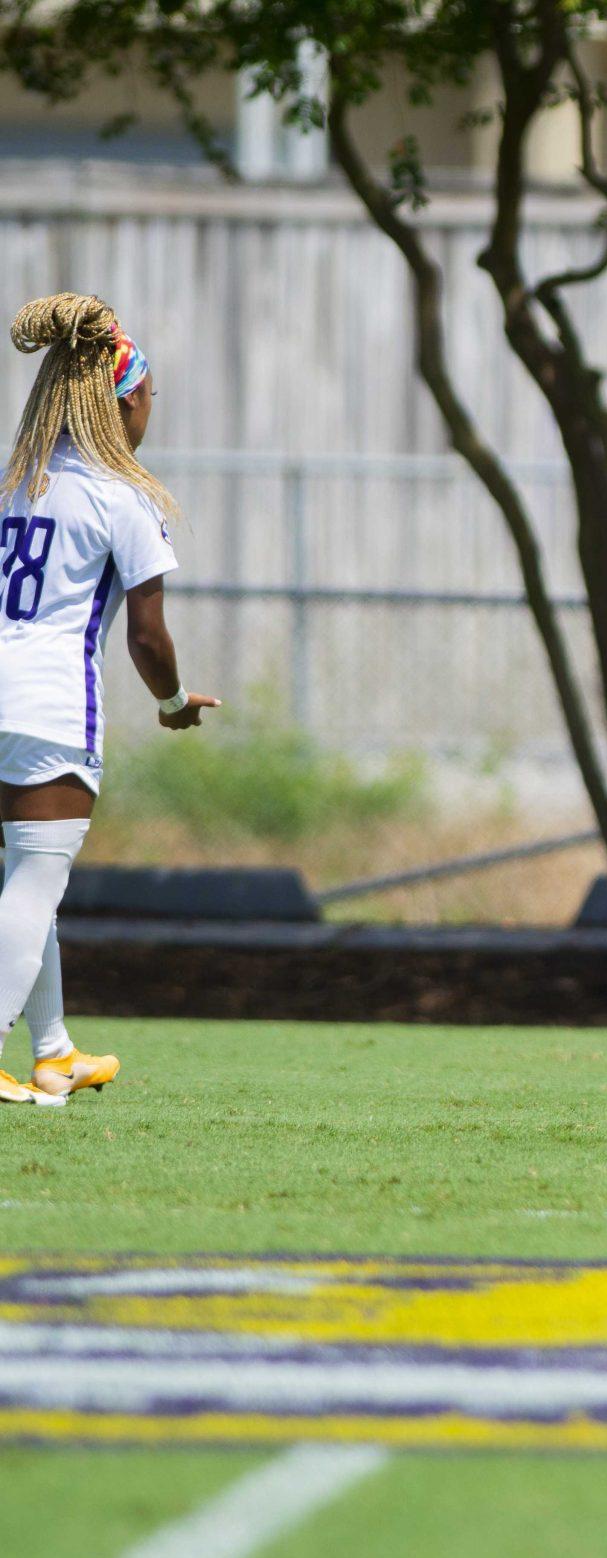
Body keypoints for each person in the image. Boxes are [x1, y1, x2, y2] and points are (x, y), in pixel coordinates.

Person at [0, 293, 219, 1105]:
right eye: (151, 399)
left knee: (30, 873)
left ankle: (53, 1051)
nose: (151, 414)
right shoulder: (122, 497)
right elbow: (147, 640)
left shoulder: (12, 481)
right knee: (35, 881)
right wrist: (173, 702)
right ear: (125, 401)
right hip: (51, 702)